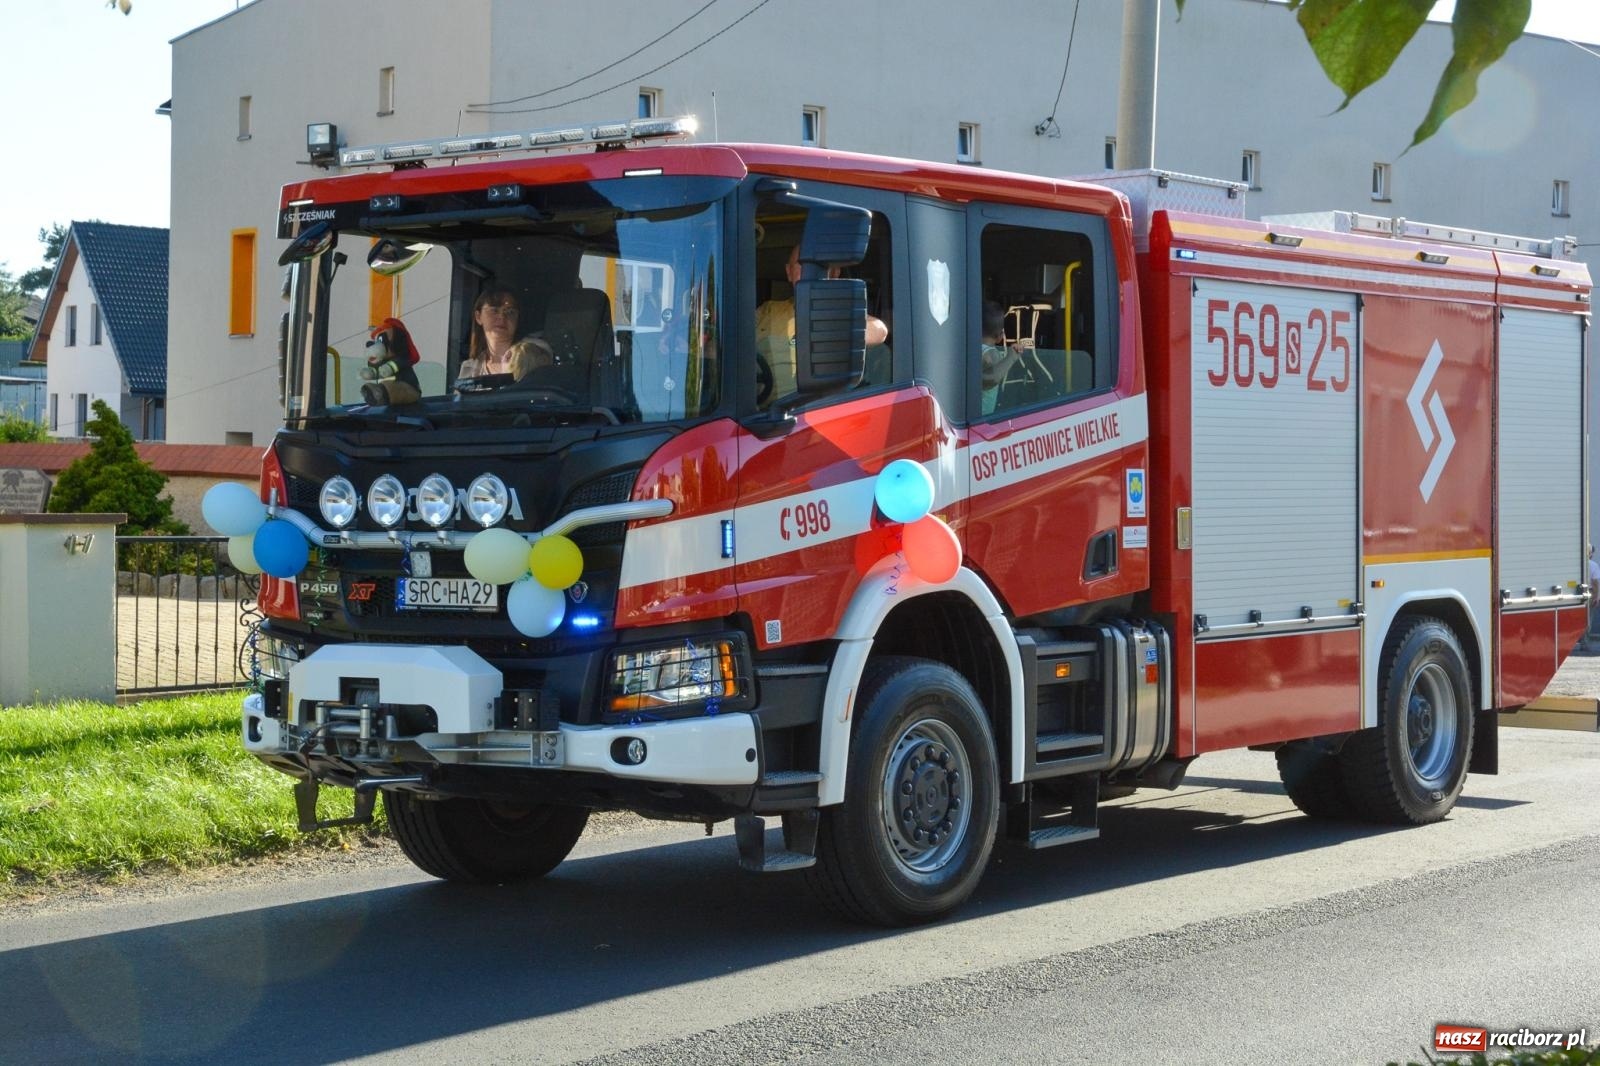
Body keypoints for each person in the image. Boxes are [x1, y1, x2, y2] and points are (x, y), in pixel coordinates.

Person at [755, 244, 888, 407]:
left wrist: (833, 335)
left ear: (835, 273)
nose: (809, 271)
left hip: (821, 416)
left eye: (819, 265)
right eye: (802, 264)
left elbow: (879, 331)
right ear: (789, 272)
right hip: (764, 419)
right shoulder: (768, 311)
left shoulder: (841, 311)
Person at [457, 288, 526, 380]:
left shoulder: (532, 357)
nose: (502, 316)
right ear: (478, 317)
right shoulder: (469, 369)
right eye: (494, 310)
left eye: (510, 312)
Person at [979, 299, 1027, 415]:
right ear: (1001, 336)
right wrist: (1011, 357)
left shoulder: (971, 350)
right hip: (982, 416)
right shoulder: (991, 353)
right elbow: (993, 378)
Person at [1586, 545, 1600, 650]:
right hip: (1589, 593)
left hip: (1576, 592)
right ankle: (1584, 643)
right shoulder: (1593, 565)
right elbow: (1595, 583)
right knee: (1588, 618)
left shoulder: (1575, 564)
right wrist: (1597, 597)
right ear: (1590, 553)